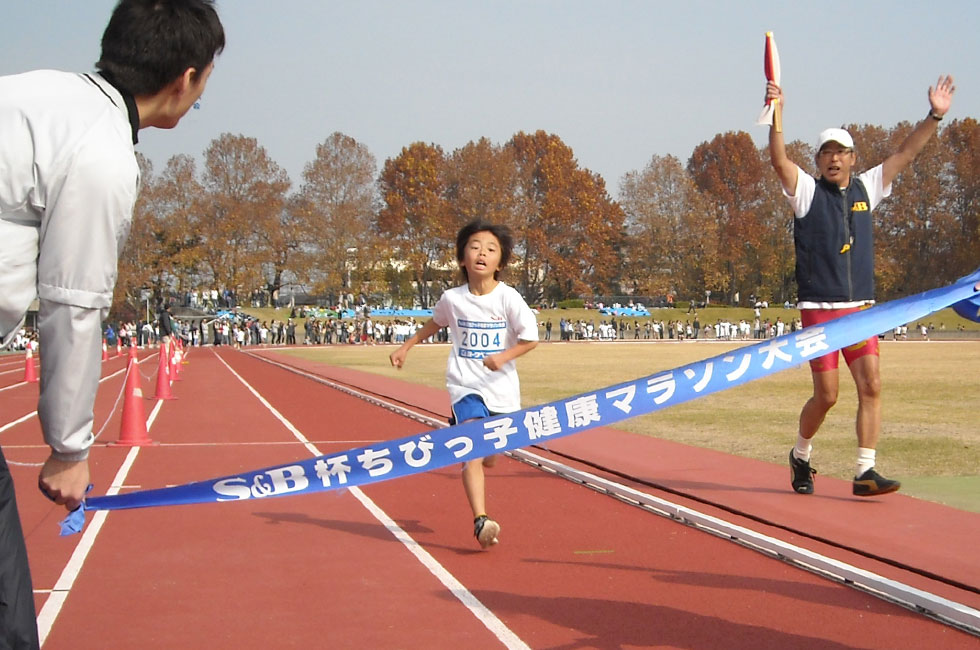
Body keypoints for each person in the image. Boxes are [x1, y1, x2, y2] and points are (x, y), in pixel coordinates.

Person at [0, 2, 224, 646]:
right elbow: (72, 302)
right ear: (185, 80)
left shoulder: (38, 94)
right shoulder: (99, 151)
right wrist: (70, 450)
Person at [766, 75, 955, 497]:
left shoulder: (869, 187)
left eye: (841, 152)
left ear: (853, 158)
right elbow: (779, 160)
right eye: (826, 153)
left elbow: (906, 152)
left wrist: (935, 115)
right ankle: (801, 455)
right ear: (817, 160)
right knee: (828, 396)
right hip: (819, 309)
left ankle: (865, 471)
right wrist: (777, 114)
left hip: (860, 310)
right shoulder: (806, 193)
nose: (833, 159)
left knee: (871, 386)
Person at [389, 220, 539, 549]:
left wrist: (503, 357)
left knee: (490, 453)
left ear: (500, 262)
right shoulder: (452, 299)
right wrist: (406, 346)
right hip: (464, 387)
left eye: (490, 249)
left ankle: (488, 453)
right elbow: (436, 322)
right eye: (474, 247)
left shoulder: (509, 299)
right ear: (462, 258)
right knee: (471, 449)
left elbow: (530, 339)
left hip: (501, 391)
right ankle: (481, 520)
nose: (481, 253)